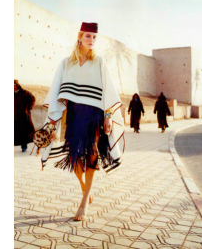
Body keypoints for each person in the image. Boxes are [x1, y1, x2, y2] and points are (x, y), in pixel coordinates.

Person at [41, 22, 124, 221]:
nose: (91, 40)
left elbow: (109, 91)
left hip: (94, 115)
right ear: (80, 36)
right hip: (75, 115)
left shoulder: (100, 62)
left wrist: (108, 116)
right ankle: (86, 189)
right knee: (75, 158)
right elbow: (56, 92)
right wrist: (52, 121)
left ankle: (84, 201)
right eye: (88, 36)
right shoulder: (66, 63)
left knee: (92, 156)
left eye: (94, 37)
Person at [14, 80, 36, 152]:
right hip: (14, 117)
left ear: (17, 85)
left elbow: (32, 98)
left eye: (14, 85)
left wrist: (29, 108)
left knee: (23, 133)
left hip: (23, 117)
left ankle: (24, 147)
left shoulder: (24, 93)